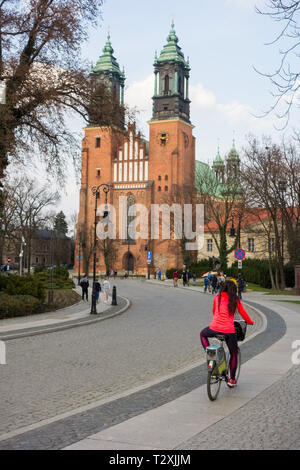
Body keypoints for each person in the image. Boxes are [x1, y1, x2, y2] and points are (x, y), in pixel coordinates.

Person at [200, 280, 254, 387]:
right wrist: (250, 322)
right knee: (233, 353)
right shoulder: (235, 300)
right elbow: (243, 313)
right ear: (234, 289)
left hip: (214, 328)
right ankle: (232, 380)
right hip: (229, 331)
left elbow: (214, 311)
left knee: (202, 334)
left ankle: (209, 352)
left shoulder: (217, 297)